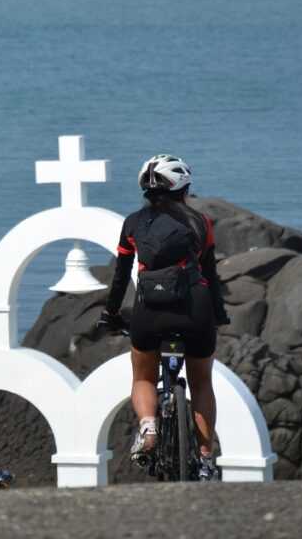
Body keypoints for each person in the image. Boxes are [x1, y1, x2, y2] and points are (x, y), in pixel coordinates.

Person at [100, 154, 230, 481]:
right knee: (201, 382)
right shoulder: (201, 223)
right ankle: (203, 458)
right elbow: (210, 275)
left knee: (143, 377)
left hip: (150, 311)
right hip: (195, 309)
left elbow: (120, 277)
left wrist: (110, 313)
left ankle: (148, 428)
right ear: (183, 188)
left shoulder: (132, 224)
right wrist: (219, 314)